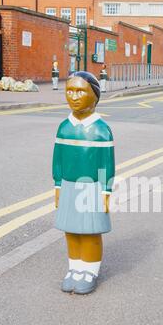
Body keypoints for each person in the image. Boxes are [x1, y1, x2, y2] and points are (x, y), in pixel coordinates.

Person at [52, 71, 115, 295]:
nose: (74, 96)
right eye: (70, 90)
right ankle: (75, 268)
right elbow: (57, 159)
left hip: (91, 187)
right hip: (68, 185)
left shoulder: (101, 130)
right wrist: (58, 185)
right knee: (71, 230)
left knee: (89, 231)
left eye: (80, 91)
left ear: (95, 95)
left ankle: (89, 270)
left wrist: (106, 190)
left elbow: (107, 164)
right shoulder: (64, 127)